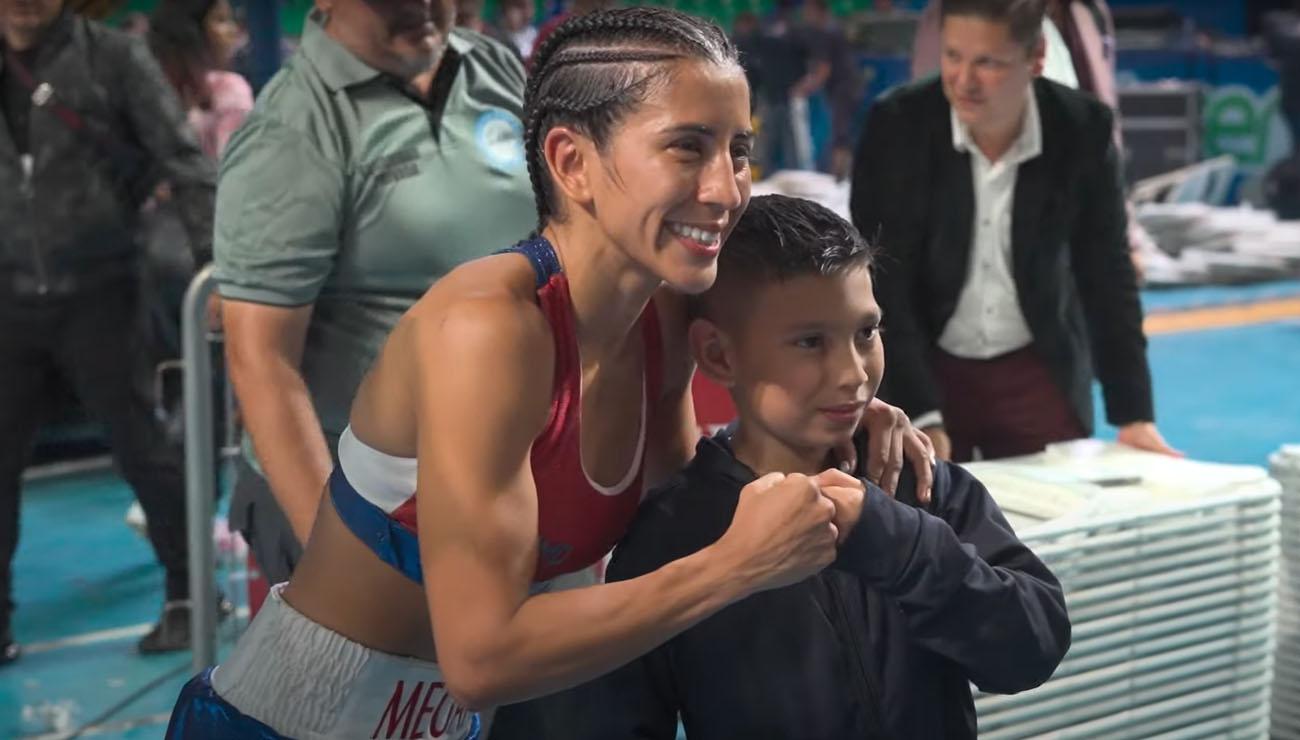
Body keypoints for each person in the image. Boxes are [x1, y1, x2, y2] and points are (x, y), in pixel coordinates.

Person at [168, 8, 932, 737]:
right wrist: (733, 567)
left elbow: (684, 508)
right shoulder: (489, 329)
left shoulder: (664, 313)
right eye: (687, 147)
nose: (728, 188)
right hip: (289, 723)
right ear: (571, 162)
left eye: (738, 148)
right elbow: (482, 656)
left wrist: (831, 412)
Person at [546, 193, 1070, 739]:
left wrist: (899, 545)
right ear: (720, 355)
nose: (852, 373)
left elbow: (1031, 652)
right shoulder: (673, 535)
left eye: (866, 332)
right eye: (810, 342)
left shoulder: (919, 484)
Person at [213, 0, 536, 589]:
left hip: (499, 468)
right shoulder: (292, 131)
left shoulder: (489, 64)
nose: (423, 7)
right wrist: (342, 549)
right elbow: (261, 361)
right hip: (367, 492)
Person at [851, 0, 1177, 463]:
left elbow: (1106, 275)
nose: (964, 81)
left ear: (1036, 57)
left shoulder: (1082, 130)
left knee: (1055, 517)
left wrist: (1134, 415)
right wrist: (921, 411)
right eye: (953, 57)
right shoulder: (898, 126)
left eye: (987, 63)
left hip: (1037, 365)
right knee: (929, 519)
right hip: (927, 362)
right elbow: (882, 278)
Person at [0, 0, 216, 662]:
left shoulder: (113, 58)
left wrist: (214, 263)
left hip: (104, 288)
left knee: (141, 448)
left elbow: (182, 157)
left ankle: (191, 596)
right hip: (7, 295)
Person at [149, 0, 252, 162]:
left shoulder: (146, 86)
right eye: (221, 20)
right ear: (191, 31)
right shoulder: (228, 88)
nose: (233, 30)